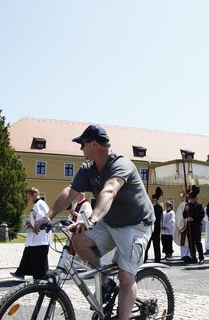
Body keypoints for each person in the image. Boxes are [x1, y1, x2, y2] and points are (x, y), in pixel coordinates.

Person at [34, 124, 154, 320]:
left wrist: (91, 219)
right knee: (78, 240)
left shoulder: (120, 164)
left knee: (126, 276)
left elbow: (110, 190)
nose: (80, 148)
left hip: (136, 224)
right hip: (110, 222)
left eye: (82, 144)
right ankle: (105, 282)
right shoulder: (88, 168)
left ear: (94, 144)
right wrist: (48, 216)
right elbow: (70, 192)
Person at [11, 187, 50, 280]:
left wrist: (32, 225)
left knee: (39, 259)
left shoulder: (40, 204)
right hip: (36, 238)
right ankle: (27, 274)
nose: (29, 199)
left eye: (29, 196)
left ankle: (41, 278)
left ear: (35, 194)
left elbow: (40, 220)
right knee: (34, 257)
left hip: (40, 237)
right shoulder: (37, 205)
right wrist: (29, 223)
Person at [183, 186, 205, 264]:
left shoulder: (199, 205)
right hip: (190, 227)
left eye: (193, 199)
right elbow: (184, 215)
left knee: (198, 242)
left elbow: (201, 215)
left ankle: (201, 257)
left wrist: (193, 218)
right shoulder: (188, 205)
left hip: (197, 226)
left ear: (195, 198)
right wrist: (186, 210)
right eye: (190, 199)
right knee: (191, 243)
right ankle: (193, 257)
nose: (191, 200)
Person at [145, 187, 163, 263]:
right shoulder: (149, 207)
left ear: (156, 200)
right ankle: (144, 258)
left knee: (156, 244)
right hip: (149, 228)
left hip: (156, 228)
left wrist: (152, 207)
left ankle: (157, 259)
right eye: (152, 199)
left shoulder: (159, 207)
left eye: (153, 200)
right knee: (147, 244)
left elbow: (158, 215)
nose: (152, 200)